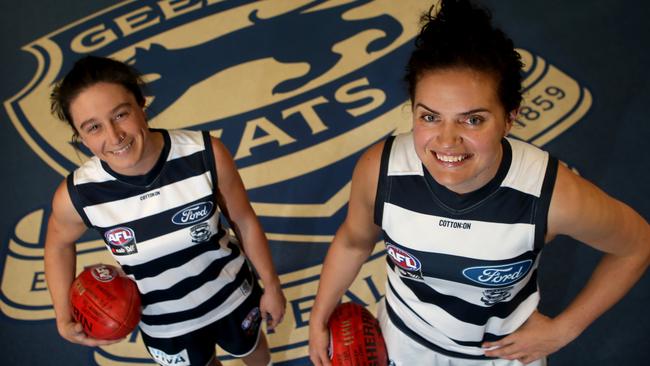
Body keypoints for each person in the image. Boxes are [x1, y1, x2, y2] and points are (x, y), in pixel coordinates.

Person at [308, 0, 650, 365]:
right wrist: (318, 314)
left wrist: (564, 329)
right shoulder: (381, 169)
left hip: (501, 355)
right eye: (430, 117)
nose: (447, 140)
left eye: (472, 120)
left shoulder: (549, 194)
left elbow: (636, 244)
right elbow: (353, 241)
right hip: (404, 342)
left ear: (509, 118)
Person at [44, 56, 286, 366]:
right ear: (80, 137)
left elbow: (243, 220)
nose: (114, 136)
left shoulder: (205, 153)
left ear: (141, 104)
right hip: (164, 322)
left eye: (120, 114)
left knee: (256, 355)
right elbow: (58, 245)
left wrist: (272, 285)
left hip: (232, 295)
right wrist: (63, 316)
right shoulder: (77, 194)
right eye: (93, 127)